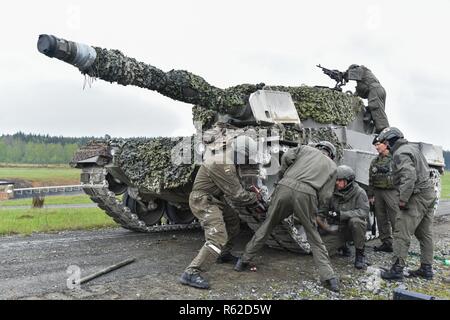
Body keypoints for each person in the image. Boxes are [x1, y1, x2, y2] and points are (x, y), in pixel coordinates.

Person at [234, 141, 340, 293]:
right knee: (313, 236)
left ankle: (243, 262)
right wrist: (316, 207)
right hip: (307, 193)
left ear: (319, 147)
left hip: (284, 187)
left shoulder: (305, 149)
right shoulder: (332, 166)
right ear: (331, 154)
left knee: (267, 226)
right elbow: (326, 196)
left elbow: (287, 156)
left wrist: (283, 175)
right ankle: (330, 278)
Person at [179, 135, 265, 289]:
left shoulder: (228, 161)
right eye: (246, 157)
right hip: (203, 200)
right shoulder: (223, 163)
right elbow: (237, 194)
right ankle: (191, 272)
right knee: (217, 235)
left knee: (233, 223)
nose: (247, 161)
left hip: (215, 198)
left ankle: (223, 254)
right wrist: (255, 198)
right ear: (240, 153)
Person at [377, 127, 437, 281]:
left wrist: (403, 199)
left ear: (390, 141)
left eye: (383, 142)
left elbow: (409, 176)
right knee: (425, 234)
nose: (382, 145)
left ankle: (397, 270)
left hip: (415, 197)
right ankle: (426, 268)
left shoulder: (400, 152)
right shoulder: (412, 149)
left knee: (401, 233)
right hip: (428, 194)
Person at [318, 165, 370, 269]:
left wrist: (342, 215)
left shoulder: (359, 193)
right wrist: (319, 221)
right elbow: (322, 211)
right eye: (336, 180)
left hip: (351, 229)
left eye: (340, 180)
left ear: (348, 181)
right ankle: (342, 245)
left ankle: (360, 255)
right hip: (337, 230)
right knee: (321, 251)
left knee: (356, 221)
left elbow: (364, 211)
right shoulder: (332, 192)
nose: (337, 183)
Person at [368, 135, 400, 253]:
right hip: (378, 192)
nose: (376, 148)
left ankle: (399, 244)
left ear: (385, 144)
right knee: (381, 219)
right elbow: (371, 178)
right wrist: (371, 195)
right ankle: (386, 243)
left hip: (391, 191)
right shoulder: (375, 161)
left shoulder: (394, 158)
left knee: (395, 218)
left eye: (378, 145)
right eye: (375, 145)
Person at [345, 64, 389, 133]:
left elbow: (349, 74)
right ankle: (378, 128)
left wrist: (342, 75)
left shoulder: (360, 69)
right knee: (375, 110)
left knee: (376, 108)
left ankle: (383, 130)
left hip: (375, 90)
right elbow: (360, 90)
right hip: (378, 90)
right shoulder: (364, 77)